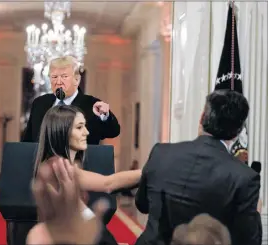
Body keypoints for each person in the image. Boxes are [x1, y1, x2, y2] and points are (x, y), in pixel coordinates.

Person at [135, 90, 262, 245]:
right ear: (238, 132)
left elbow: (142, 204)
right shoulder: (244, 177)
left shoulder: (160, 152)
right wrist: (256, 213)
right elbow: (249, 240)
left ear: (202, 117)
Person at [29, 105, 141, 245]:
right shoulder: (59, 167)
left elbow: (86, 217)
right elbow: (109, 184)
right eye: (79, 127)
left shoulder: (58, 164)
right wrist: (151, 171)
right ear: (62, 131)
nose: (86, 132)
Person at [23, 55, 120, 144]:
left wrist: (105, 116)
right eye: (54, 77)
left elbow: (113, 132)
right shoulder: (39, 103)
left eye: (64, 76)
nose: (58, 81)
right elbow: (28, 141)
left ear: (77, 80)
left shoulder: (92, 105)